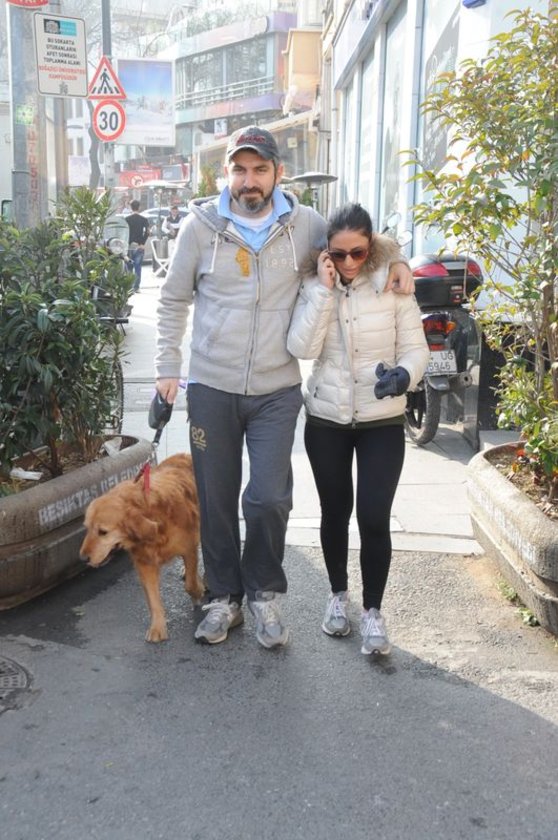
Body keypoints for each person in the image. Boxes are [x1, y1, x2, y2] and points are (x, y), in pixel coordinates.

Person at [154, 126, 415, 649]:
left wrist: (395, 259)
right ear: (226, 173)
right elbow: (172, 299)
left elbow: (355, 238)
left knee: (269, 497)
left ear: (278, 173)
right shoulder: (199, 228)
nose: (249, 181)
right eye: (239, 170)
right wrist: (166, 366)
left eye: (259, 170)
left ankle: (264, 594)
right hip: (211, 384)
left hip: (276, 389)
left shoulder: (305, 225)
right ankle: (223, 598)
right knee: (217, 497)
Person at [287, 202, 429, 656]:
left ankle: (373, 612)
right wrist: (324, 291)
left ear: (371, 248)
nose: (349, 262)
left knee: (372, 516)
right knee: (334, 512)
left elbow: (416, 347)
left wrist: (405, 376)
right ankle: (336, 596)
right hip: (326, 419)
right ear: (326, 252)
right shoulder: (314, 285)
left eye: (358, 252)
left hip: (380, 419)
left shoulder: (392, 282)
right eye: (339, 253)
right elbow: (301, 347)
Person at [125, 200, 151, 293]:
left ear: (130, 207)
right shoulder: (144, 219)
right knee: (138, 267)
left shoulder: (126, 219)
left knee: (129, 267)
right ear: (139, 207)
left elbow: (124, 232)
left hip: (128, 246)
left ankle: (129, 286)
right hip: (139, 246)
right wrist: (142, 243)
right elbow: (148, 232)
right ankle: (136, 287)